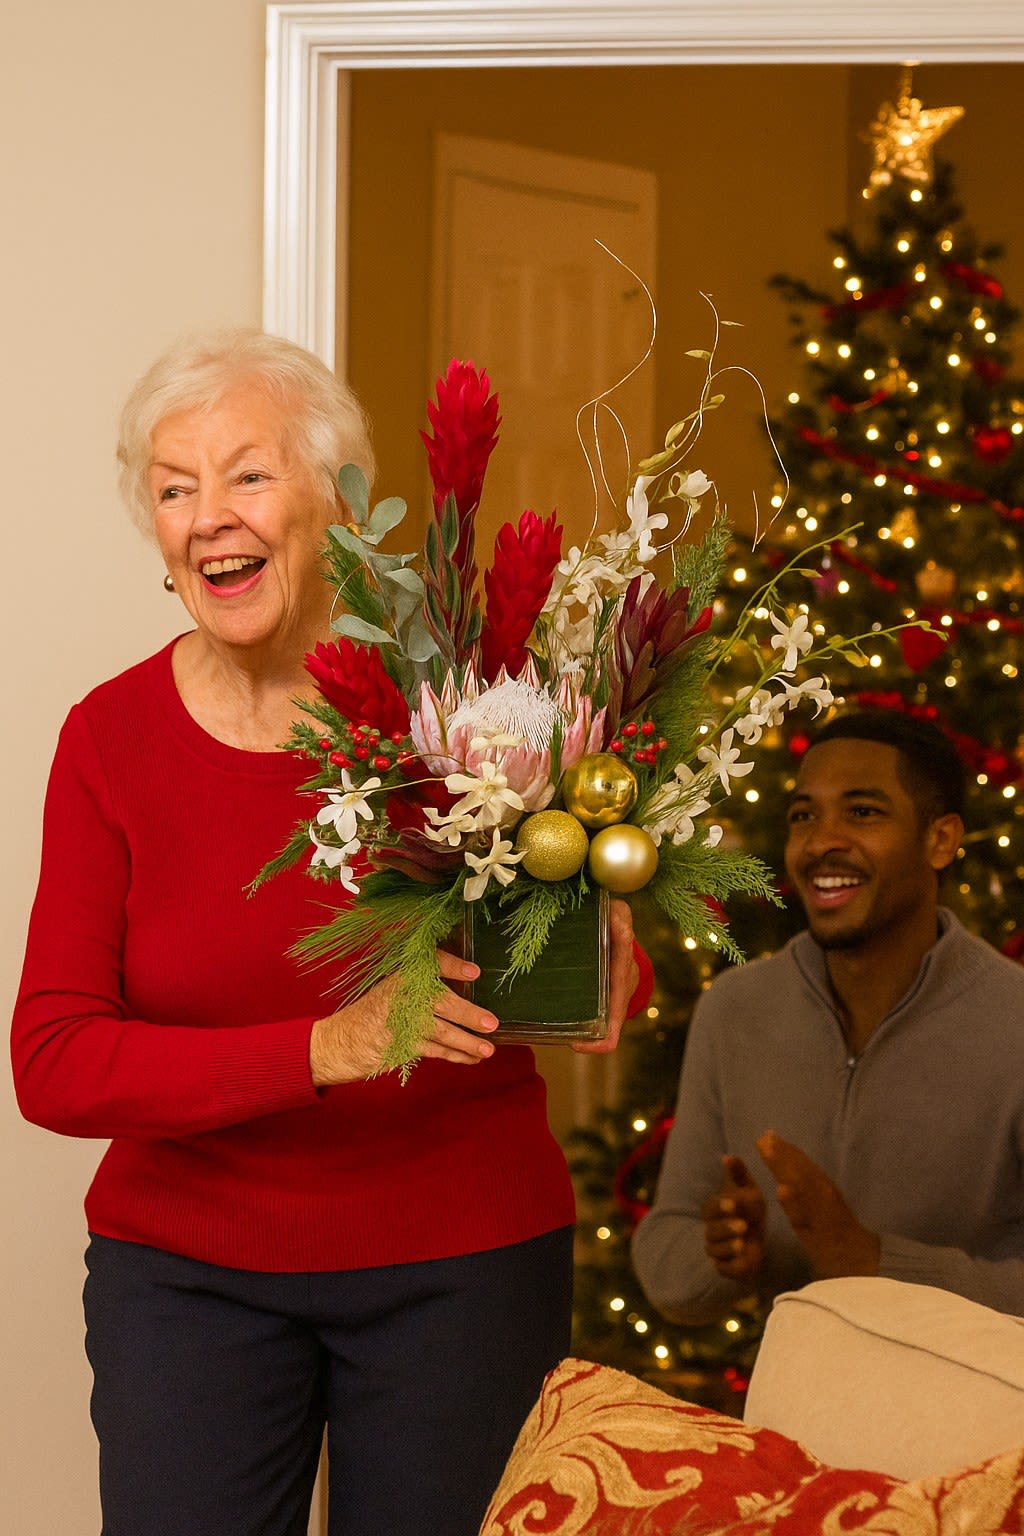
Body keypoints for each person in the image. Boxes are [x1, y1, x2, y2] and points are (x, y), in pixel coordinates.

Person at [11, 328, 650, 1536]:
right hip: (184, 1277)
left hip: (460, 1262)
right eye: (175, 488)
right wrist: (322, 1049)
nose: (209, 516)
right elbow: (54, 1060)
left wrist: (605, 958)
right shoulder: (108, 740)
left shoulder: (459, 708)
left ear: (337, 507)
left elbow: (566, 949)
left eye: (248, 475)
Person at [632, 709, 1024, 1326]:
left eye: (862, 812)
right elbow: (668, 1263)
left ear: (941, 840)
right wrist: (726, 1256)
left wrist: (872, 1261)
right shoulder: (735, 1009)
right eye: (803, 816)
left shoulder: (1013, 1020)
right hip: (792, 1383)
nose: (820, 843)